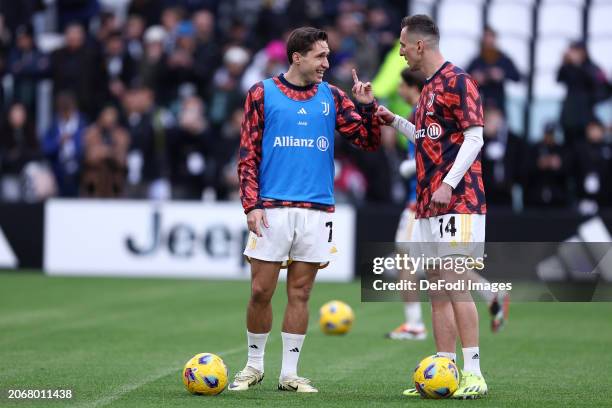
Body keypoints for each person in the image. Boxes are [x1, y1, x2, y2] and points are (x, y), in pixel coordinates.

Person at [234, 26, 381, 393]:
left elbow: (367, 141)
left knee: (300, 293)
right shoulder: (261, 94)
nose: (326, 63)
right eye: (320, 56)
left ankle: (289, 374)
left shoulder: (332, 95)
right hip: (272, 208)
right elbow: (247, 155)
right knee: (259, 291)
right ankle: (253, 366)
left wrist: (368, 107)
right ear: (296, 57)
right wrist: (250, 204)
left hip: (317, 210)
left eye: (327, 55)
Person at [376, 15, 488, 398]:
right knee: (437, 289)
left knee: (455, 284)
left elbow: (475, 138)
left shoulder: (458, 80)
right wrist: (392, 120)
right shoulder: (427, 89)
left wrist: (448, 183)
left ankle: (474, 372)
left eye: (404, 45)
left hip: (459, 201)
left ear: (420, 45)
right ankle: (446, 367)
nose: (402, 52)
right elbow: (425, 137)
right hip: (428, 205)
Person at [386, 71, 509, 341]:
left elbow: (431, 155)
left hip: (425, 201)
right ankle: (490, 292)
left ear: (412, 86)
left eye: (402, 84)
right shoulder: (420, 113)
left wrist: (410, 168)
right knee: (447, 269)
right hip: (427, 202)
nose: (399, 89)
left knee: (409, 260)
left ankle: (414, 323)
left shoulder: (425, 111)